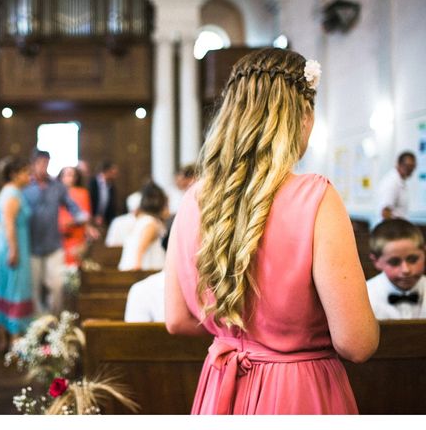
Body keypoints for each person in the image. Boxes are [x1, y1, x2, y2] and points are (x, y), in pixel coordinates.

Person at [164, 48, 379, 414]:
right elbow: (357, 343)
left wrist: (242, 337)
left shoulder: (195, 199)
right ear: (304, 115)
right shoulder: (317, 197)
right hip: (298, 390)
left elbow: (177, 320)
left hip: (224, 386)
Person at [23, 149, 89, 315]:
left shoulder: (57, 186)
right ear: (33, 164)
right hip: (31, 246)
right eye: (40, 163)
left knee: (57, 285)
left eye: (47, 163)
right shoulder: (25, 187)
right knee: (34, 288)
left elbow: (73, 207)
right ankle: (39, 323)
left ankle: (53, 319)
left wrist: (82, 218)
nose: (44, 166)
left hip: (53, 244)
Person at [0, 156, 33, 353]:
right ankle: (15, 343)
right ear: (14, 174)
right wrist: (13, 250)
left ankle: (5, 341)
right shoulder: (12, 193)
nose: (30, 176)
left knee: (2, 293)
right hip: (9, 247)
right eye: (26, 172)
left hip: (1, 245)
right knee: (14, 290)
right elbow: (9, 223)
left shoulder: (8, 192)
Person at [366, 218, 426, 319]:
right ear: (376, 261)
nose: (406, 270)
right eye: (394, 262)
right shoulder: (365, 297)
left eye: (413, 259)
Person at [118, 181, 168, 271]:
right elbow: (140, 249)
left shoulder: (143, 219)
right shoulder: (150, 223)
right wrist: (137, 270)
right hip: (146, 269)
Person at [57, 166, 95, 266]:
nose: (71, 178)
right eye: (68, 175)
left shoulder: (82, 193)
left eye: (73, 175)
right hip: (59, 235)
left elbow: (85, 215)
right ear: (61, 177)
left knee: (74, 265)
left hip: (76, 235)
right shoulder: (55, 193)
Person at [376, 151, 417, 223]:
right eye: (407, 166)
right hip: (391, 231)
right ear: (398, 164)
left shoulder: (400, 182)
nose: (410, 170)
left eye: (412, 167)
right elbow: (385, 212)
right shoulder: (392, 182)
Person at [88, 160, 119, 228]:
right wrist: (94, 217)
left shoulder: (111, 186)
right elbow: (88, 201)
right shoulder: (91, 183)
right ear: (107, 171)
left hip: (104, 221)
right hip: (91, 219)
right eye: (113, 171)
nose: (116, 174)